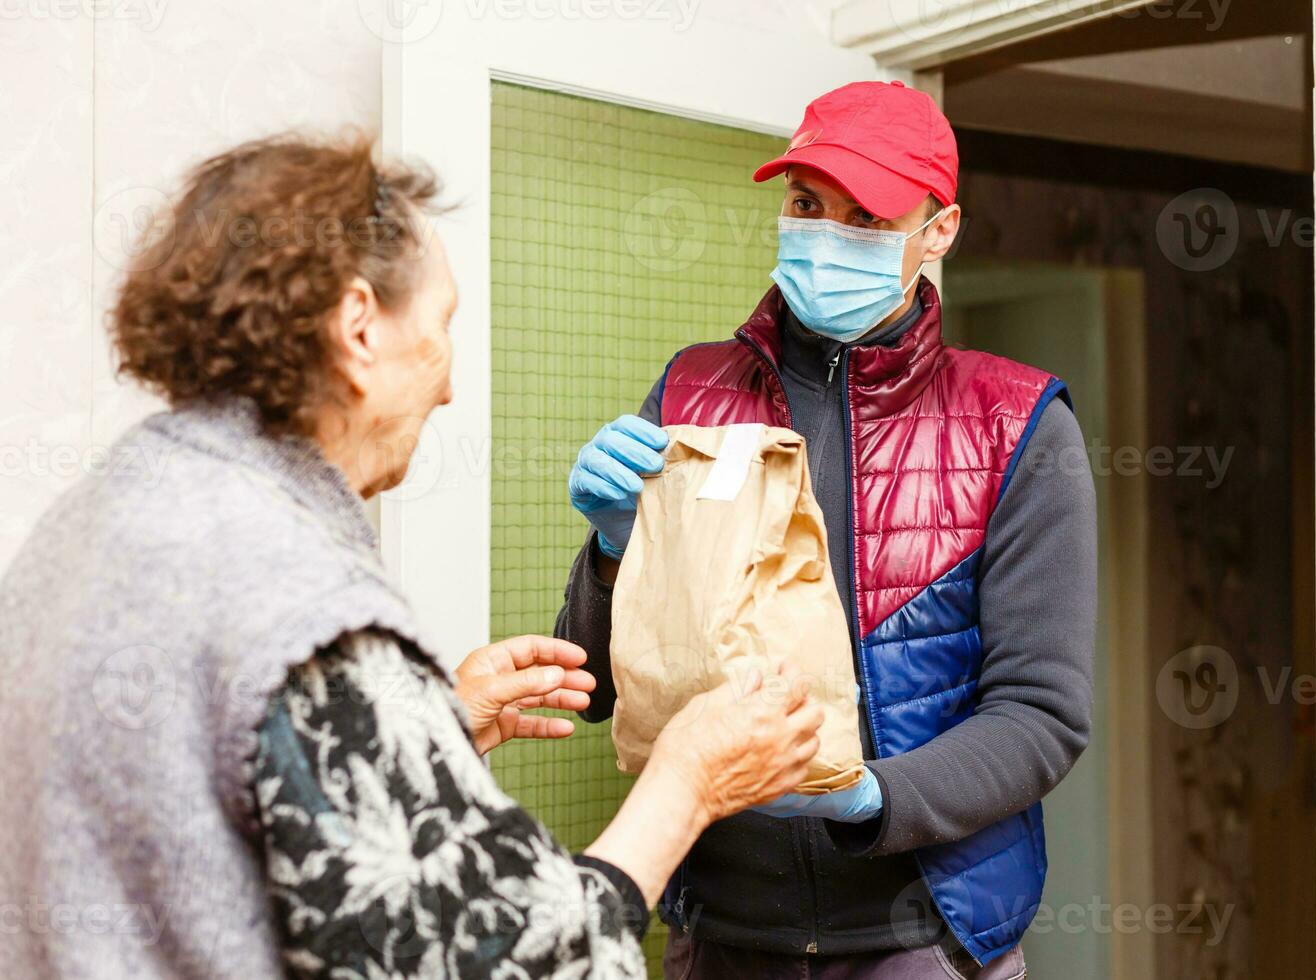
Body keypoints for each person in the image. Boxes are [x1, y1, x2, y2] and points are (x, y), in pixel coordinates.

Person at [0, 134, 825, 980]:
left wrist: (413, 732)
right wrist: (686, 783)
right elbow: (511, 966)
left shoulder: (96, 516)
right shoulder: (303, 608)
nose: (449, 385)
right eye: (443, 326)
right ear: (360, 328)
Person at [557, 81, 1097, 978]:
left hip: (921, 938)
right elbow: (604, 687)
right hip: (724, 935)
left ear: (939, 231)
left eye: (869, 216)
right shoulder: (693, 393)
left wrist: (871, 798)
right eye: (808, 205)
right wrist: (615, 552)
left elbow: (1041, 714)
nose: (826, 237)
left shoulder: (1018, 424)